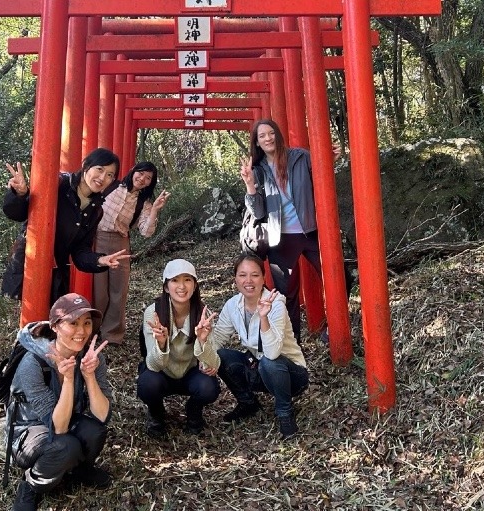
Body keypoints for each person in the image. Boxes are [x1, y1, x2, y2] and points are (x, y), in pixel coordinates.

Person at [239, 119, 353, 344]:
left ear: (278, 135)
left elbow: (320, 175)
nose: (268, 138)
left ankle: (333, 329)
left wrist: (329, 161)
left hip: (311, 232)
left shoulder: (300, 157)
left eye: (271, 133)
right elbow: (258, 211)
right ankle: (293, 345)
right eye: (262, 136)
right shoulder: (257, 170)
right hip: (280, 238)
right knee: (286, 295)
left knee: (341, 278)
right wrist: (249, 184)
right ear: (257, 143)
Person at [6, 293, 113, 510]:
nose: (81, 331)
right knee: (66, 446)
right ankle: (31, 484)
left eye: (87, 323)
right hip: (28, 430)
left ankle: (79, 469)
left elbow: (102, 415)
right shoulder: (33, 363)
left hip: (64, 416)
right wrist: (68, 380)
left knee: (96, 432)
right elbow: (58, 427)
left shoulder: (91, 356)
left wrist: (89, 376)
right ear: (55, 326)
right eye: (73, 323)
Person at [199, 253, 309, 440]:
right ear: (235, 279)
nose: (248, 281)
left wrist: (264, 317)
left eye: (255, 275)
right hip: (261, 368)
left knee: (269, 362)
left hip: (291, 375)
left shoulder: (275, 305)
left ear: (264, 278)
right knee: (222, 356)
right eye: (242, 275)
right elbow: (217, 342)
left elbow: (273, 353)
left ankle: (285, 413)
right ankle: (247, 403)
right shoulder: (233, 305)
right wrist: (204, 340)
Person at [1, 147, 129, 304]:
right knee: (27, 325)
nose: (103, 177)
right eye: (99, 169)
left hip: (56, 272)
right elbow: (18, 214)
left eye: (110, 175)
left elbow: (79, 250)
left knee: (50, 324)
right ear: (86, 166)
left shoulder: (96, 211)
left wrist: (99, 260)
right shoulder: (59, 184)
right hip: (28, 266)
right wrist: (21, 194)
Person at [137, 259, 220, 438]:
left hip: (190, 374)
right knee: (147, 384)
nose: (181, 286)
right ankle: (156, 412)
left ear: (195, 285)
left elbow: (213, 364)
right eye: (175, 280)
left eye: (187, 279)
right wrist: (160, 343)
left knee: (209, 387)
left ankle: (194, 410)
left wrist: (203, 342)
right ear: (166, 287)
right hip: (161, 373)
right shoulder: (154, 313)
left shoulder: (203, 314)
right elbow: (153, 365)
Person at [93, 161, 170, 345]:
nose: (142, 179)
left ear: (151, 183)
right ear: (133, 171)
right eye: (140, 173)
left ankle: (112, 335)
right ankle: (93, 330)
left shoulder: (144, 203)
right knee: (99, 290)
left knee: (118, 290)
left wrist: (155, 211)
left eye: (148, 178)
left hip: (120, 243)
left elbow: (146, 231)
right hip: (97, 239)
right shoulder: (111, 186)